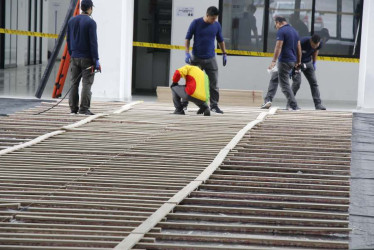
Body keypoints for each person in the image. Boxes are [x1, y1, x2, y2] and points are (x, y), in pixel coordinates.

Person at [185, 6, 227, 114]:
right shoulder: (196, 23)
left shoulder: (217, 25)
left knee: (214, 84)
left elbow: (220, 40)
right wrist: (186, 53)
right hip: (196, 58)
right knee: (191, 82)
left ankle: (214, 105)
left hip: (211, 58)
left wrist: (224, 53)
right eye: (212, 18)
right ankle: (184, 105)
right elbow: (187, 38)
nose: (214, 21)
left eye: (216, 18)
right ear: (207, 15)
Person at [67, 0, 101, 115]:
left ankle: (73, 108)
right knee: (86, 83)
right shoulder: (91, 23)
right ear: (90, 8)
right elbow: (93, 43)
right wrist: (96, 60)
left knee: (74, 83)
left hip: (74, 57)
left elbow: (68, 40)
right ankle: (84, 109)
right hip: (87, 58)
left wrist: (72, 53)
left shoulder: (71, 21)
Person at [261, 16, 301, 111]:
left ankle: (294, 105)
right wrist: (298, 61)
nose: (276, 26)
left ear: (279, 22)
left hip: (284, 61)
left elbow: (278, 46)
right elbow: (299, 47)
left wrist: (274, 61)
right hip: (292, 60)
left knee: (284, 85)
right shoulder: (295, 31)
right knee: (274, 78)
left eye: (276, 24)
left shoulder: (282, 31)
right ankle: (268, 100)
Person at [289, 34, 326, 110]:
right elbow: (292, 52)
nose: (314, 46)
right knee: (297, 83)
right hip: (297, 63)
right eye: (313, 45)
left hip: (308, 63)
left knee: (314, 83)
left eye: (316, 45)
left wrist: (314, 63)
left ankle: (318, 104)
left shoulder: (319, 43)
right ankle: (290, 103)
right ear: (310, 41)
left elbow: (316, 51)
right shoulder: (302, 42)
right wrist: (292, 66)